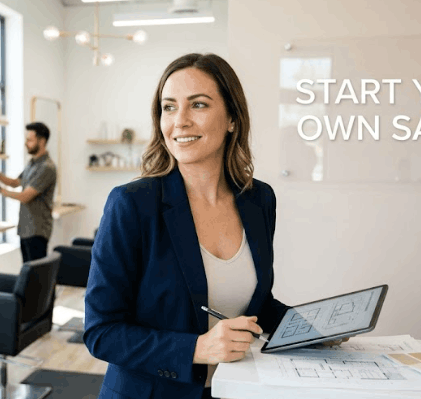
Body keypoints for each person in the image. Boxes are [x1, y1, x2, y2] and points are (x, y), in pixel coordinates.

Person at [84, 53, 343, 399]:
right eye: (169, 107)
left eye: (199, 105)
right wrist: (197, 348)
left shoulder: (259, 200)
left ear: (233, 118)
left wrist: (312, 329)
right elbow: (102, 331)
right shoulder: (132, 204)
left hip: (234, 390)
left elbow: (256, 306)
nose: (181, 121)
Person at [0, 122, 57, 262]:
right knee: (28, 275)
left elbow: (25, 197)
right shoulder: (32, 163)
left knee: (36, 278)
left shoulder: (46, 168)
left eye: (30, 140)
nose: (26, 143)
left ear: (42, 141)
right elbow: (15, 183)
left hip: (37, 231)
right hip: (25, 229)